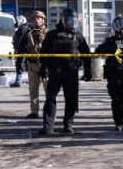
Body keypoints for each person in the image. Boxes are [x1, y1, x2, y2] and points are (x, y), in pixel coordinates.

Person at [39, 8, 90, 136]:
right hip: (55, 71)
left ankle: (68, 124)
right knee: (50, 99)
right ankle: (48, 126)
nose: (71, 23)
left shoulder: (77, 35)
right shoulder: (52, 34)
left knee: (71, 99)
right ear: (63, 20)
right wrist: (43, 68)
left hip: (71, 71)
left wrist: (88, 70)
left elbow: (86, 54)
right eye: (69, 20)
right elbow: (43, 53)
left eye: (73, 21)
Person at [17, 11, 47, 119]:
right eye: (34, 18)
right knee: (33, 90)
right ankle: (34, 111)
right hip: (32, 64)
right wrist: (18, 63)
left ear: (43, 19)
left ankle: (49, 112)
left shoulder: (49, 33)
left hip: (46, 66)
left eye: (39, 18)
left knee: (49, 91)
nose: (37, 20)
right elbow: (20, 49)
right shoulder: (28, 33)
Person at [10, 15, 29, 87]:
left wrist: (18, 47)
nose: (17, 22)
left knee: (20, 64)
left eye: (18, 21)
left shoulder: (23, 27)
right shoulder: (22, 27)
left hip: (22, 50)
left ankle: (18, 81)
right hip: (21, 49)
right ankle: (18, 81)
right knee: (20, 64)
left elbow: (21, 39)